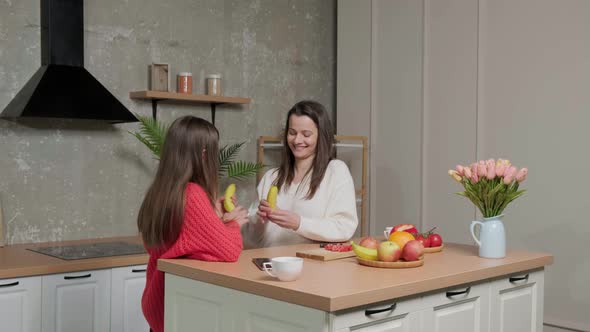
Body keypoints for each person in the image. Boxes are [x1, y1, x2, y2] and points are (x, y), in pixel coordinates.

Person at [137, 116, 248, 332]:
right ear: (204, 154)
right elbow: (229, 250)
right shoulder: (192, 193)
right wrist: (233, 223)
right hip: (174, 303)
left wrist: (212, 214)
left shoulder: (160, 191)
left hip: (156, 302)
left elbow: (182, 243)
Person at [244, 100, 358, 247]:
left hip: (313, 267)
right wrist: (258, 221)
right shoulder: (271, 177)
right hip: (268, 265)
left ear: (321, 135)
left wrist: (299, 223)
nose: (297, 140)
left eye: (306, 134)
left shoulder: (335, 171)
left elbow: (345, 227)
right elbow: (251, 240)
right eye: (292, 133)